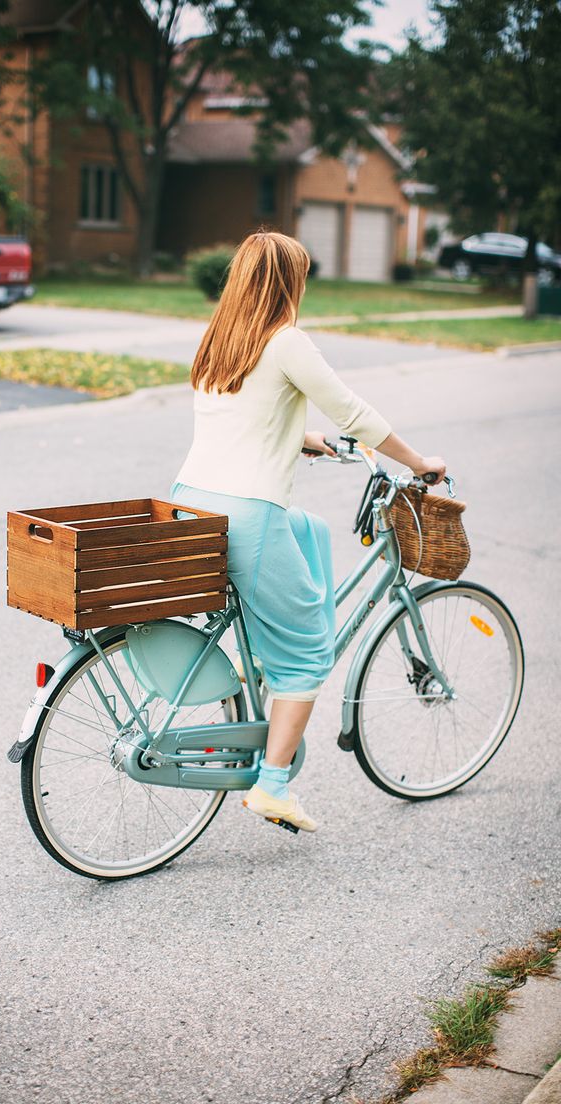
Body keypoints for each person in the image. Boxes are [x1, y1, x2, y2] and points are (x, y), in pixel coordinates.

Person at [169, 230, 446, 833]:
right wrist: (416, 461)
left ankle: (257, 663)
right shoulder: (286, 340)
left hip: (191, 503)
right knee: (308, 657)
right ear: (286, 283)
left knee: (312, 529)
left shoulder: (221, 339)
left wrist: (303, 439)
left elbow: (239, 418)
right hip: (247, 514)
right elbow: (354, 413)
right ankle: (272, 787)